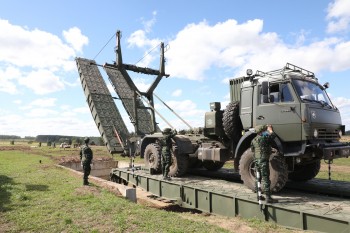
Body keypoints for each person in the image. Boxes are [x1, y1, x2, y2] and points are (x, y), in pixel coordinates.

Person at [251, 124, 277, 203]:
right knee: (266, 179)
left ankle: (258, 196)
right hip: (263, 161)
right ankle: (268, 197)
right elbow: (273, 136)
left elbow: (253, 150)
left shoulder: (253, 140)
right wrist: (270, 130)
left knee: (258, 178)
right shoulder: (264, 138)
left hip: (256, 161)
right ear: (262, 131)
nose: (265, 131)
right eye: (264, 130)